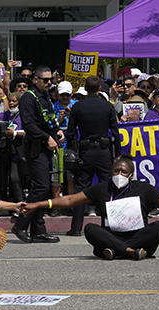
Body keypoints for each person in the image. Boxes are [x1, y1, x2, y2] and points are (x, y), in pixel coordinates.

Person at [22, 155, 159, 260]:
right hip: (111, 236)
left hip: (139, 237)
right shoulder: (101, 189)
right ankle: (129, 252)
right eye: (116, 170)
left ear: (131, 175)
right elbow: (70, 201)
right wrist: (38, 204)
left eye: (124, 171)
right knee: (90, 228)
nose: (119, 174)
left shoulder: (143, 188)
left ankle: (119, 251)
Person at [11, 66, 63, 244]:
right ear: (35, 79)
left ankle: (38, 230)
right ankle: (20, 224)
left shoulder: (46, 96)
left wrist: (57, 132)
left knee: (43, 188)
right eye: (45, 80)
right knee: (40, 187)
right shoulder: (28, 97)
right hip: (35, 148)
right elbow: (28, 125)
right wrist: (46, 137)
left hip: (45, 147)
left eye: (51, 79)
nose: (49, 82)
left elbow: (48, 120)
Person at [66, 75, 120, 237]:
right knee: (107, 189)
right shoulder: (108, 107)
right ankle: (108, 225)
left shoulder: (77, 107)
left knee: (81, 189)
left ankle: (76, 228)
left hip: (85, 152)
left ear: (85, 88)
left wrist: (72, 151)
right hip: (104, 152)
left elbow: (70, 133)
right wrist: (118, 154)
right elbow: (116, 133)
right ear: (99, 89)